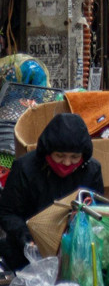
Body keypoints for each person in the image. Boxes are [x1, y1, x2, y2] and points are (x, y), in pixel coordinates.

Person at [0, 114, 103, 271]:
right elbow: (7, 213)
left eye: (74, 157)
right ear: (48, 151)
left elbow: (98, 210)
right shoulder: (25, 168)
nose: (67, 163)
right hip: (26, 257)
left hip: (75, 257)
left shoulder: (92, 170)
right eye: (60, 156)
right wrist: (28, 238)